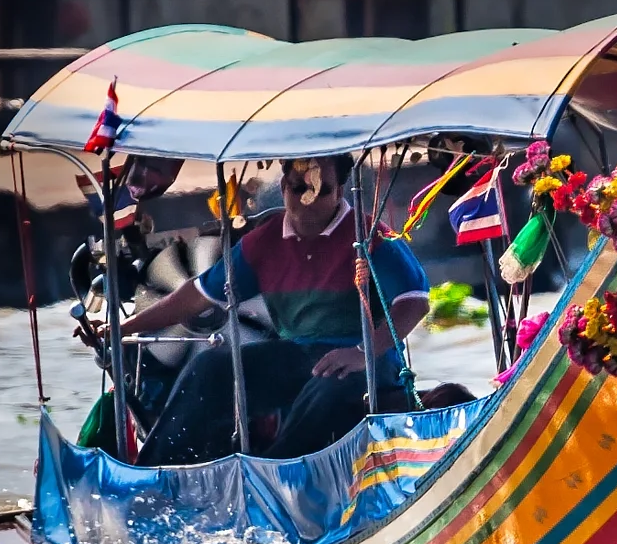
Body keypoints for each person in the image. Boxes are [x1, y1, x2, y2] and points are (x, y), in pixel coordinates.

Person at [105, 156, 428, 465]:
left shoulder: (370, 235)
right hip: (299, 356)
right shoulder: (264, 242)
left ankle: (276, 471)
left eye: (321, 191)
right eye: (298, 189)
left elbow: (414, 301)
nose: (307, 202)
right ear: (285, 186)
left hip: (368, 362)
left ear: (339, 191)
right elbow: (197, 294)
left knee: (331, 385)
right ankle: (157, 473)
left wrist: (363, 352)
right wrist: (123, 328)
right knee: (211, 368)